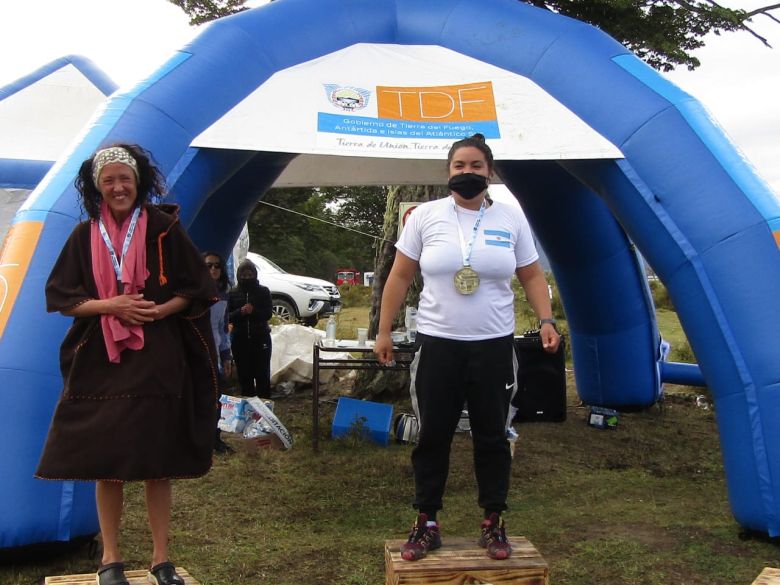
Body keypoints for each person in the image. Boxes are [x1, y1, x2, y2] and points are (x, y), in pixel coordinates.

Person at [36, 144, 219, 585]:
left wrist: (160, 311)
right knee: (107, 461)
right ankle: (110, 561)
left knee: (159, 460)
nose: (119, 187)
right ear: (97, 186)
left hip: (158, 357)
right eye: (109, 180)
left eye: (126, 179)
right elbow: (63, 300)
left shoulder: (163, 228)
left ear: (138, 183)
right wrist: (110, 305)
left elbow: (196, 289)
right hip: (101, 360)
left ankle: (161, 560)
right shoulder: (84, 235)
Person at [374, 134, 561, 562]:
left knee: (493, 436)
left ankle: (493, 522)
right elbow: (400, 277)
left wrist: (547, 320)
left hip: (493, 346)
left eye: (476, 165)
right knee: (433, 435)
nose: (467, 172)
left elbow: (532, 276)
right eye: (459, 165)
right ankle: (426, 524)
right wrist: (384, 331)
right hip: (438, 344)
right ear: (448, 172)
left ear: (489, 172)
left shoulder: (511, 218)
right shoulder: (425, 217)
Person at [203, 251, 235, 455]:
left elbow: (223, 328)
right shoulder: (192, 293)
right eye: (208, 266)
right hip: (195, 354)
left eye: (217, 266)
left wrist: (226, 356)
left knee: (217, 400)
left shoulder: (223, 295)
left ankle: (215, 440)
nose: (213, 269)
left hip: (214, 353)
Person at [228, 259, 273, 398]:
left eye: (250, 275)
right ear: (239, 276)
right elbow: (228, 316)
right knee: (244, 376)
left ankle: (265, 408)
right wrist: (240, 312)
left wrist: (253, 311)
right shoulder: (232, 293)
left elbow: (268, 314)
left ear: (255, 275)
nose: (247, 278)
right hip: (240, 339)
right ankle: (248, 408)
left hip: (261, 338)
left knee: (262, 376)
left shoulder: (263, 291)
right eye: (244, 276)